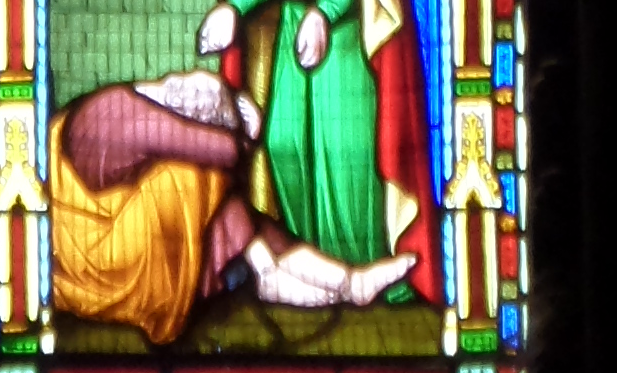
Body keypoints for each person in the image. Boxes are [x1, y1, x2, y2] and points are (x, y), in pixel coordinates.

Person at [195, 0, 442, 300]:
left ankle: (366, 266)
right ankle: (315, 269)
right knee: (283, 143)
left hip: (344, 52)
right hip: (293, 46)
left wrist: (324, 15)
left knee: (344, 157)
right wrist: (232, 7)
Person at [42, 61, 418, 337]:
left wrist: (234, 107)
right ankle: (276, 273)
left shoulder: (131, 98)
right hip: (100, 260)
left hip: (101, 234)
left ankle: (345, 282)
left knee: (206, 192)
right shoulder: (135, 118)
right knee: (191, 176)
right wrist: (243, 119)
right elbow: (227, 152)